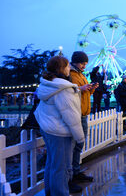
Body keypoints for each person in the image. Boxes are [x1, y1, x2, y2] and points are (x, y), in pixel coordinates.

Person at [34, 56, 84, 196]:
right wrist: (80, 137)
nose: (69, 69)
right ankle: (60, 193)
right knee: (61, 168)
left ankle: (50, 191)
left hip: (48, 129)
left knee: (52, 164)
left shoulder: (47, 84)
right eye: (68, 66)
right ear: (61, 68)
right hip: (60, 132)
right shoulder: (64, 88)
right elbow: (71, 116)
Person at [70, 51, 98, 189]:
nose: (84, 66)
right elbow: (69, 92)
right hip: (77, 114)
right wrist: (81, 88)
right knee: (74, 145)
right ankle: (72, 175)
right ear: (75, 61)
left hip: (84, 113)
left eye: (85, 64)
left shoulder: (81, 75)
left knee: (79, 144)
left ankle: (76, 172)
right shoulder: (71, 75)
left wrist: (91, 88)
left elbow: (84, 92)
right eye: (82, 63)